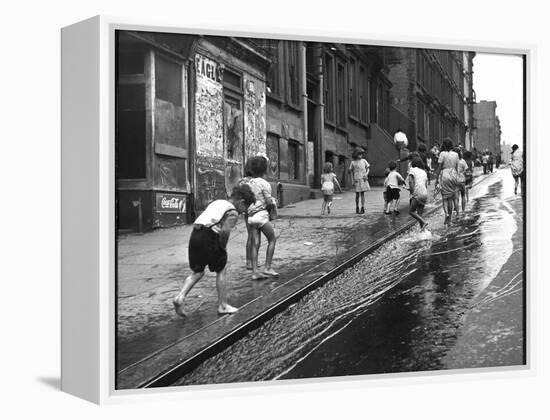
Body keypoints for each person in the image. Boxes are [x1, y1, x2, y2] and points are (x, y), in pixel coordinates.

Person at [173, 184, 256, 316]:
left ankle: (180, 297)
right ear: (241, 202)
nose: (244, 211)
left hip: (196, 234)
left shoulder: (219, 202)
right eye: (245, 208)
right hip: (209, 236)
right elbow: (225, 232)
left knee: (198, 272)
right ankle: (223, 306)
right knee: (222, 269)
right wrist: (222, 248)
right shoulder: (233, 212)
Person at [246, 156, 279, 279]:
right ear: (265, 170)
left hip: (251, 217)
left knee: (255, 243)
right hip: (261, 216)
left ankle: (255, 272)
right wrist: (273, 202)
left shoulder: (248, 183)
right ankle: (268, 267)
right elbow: (269, 202)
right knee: (272, 239)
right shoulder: (265, 184)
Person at [434, 137, 459, 225]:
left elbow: (439, 167)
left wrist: (436, 179)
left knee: (445, 198)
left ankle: (446, 214)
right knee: (451, 198)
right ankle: (450, 219)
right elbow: (457, 168)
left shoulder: (442, 154)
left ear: (444, 145)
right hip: (453, 174)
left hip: (445, 175)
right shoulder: (456, 154)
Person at [405, 157, 429, 230]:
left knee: (411, 211)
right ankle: (423, 231)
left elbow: (411, 182)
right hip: (424, 193)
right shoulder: (424, 172)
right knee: (419, 214)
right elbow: (425, 185)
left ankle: (424, 222)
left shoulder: (412, 169)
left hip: (417, 192)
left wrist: (412, 192)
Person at [348, 149, 371, 214]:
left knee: (362, 194)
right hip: (357, 179)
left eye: (361, 154)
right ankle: (357, 207)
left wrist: (366, 173)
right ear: (356, 155)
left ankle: (362, 207)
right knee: (357, 194)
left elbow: (368, 168)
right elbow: (350, 170)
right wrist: (350, 171)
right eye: (359, 154)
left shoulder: (364, 161)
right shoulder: (353, 162)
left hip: (363, 178)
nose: (361, 156)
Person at [455, 147, 469, 214]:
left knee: (456, 198)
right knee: (463, 196)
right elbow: (466, 170)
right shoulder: (463, 161)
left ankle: (457, 212)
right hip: (462, 181)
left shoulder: (453, 161)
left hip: (455, 181)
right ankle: (463, 211)